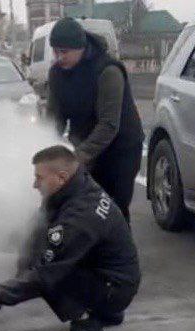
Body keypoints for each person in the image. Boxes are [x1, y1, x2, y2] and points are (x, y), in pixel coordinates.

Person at [0, 145, 141, 331]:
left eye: (39, 178)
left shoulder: (79, 218)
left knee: (50, 274)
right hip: (110, 278)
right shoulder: (75, 188)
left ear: (61, 177)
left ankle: (88, 330)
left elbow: (42, 276)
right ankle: (103, 313)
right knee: (41, 254)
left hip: (114, 288)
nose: (35, 184)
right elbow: (34, 232)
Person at [45, 18, 145, 221]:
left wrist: (76, 158)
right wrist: (47, 153)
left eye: (65, 52)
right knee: (84, 210)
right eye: (56, 51)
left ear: (81, 48)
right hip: (85, 145)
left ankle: (120, 251)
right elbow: (54, 119)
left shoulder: (108, 71)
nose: (59, 57)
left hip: (120, 150)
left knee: (111, 210)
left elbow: (108, 125)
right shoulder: (57, 73)